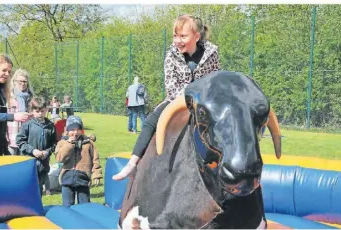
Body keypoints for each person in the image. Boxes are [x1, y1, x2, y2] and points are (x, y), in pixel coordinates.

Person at [113, 14, 220, 180]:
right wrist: (189, 99)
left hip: (205, 101)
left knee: (224, 121)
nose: (177, 40)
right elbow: (170, 85)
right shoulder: (171, 54)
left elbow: (214, 79)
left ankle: (232, 167)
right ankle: (133, 163)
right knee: (150, 121)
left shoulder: (211, 53)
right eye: (175, 36)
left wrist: (203, 99)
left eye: (183, 36)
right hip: (177, 100)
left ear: (196, 36)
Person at [0, 54, 32, 158]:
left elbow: (0, 119)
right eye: (4, 70)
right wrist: (13, 116)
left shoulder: (0, 88)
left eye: (9, 72)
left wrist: (3, 144)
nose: (7, 74)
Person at [55, 116, 103, 207]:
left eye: (78, 129)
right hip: (67, 179)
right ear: (67, 130)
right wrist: (69, 144)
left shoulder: (88, 143)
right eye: (72, 129)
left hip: (83, 179)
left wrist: (96, 174)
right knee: (67, 207)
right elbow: (59, 158)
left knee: (84, 206)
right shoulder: (62, 143)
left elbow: (95, 160)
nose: (75, 132)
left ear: (82, 130)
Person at [16, 97, 57, 196]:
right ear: (32, 111)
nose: (40, 113)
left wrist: (47, 152)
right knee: (27, 189)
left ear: (46, 110)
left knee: (39, 190)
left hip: (43, 163)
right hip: (29, 162)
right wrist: (32, 150)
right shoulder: (27, 125)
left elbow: (54, 143)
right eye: (37, 111)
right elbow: (20, 141)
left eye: (42, 111)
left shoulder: (51, 126)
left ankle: (38, 210)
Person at [7, 68, 34, 155]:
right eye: (20, 81)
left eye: (25, 81)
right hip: (11, 137)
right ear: (14, 81)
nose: (22, 84)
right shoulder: (8, 96)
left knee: (23, 165)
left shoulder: (30, 98)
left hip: (26, 139)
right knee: (10, 165)